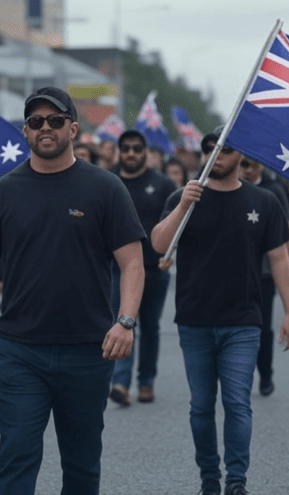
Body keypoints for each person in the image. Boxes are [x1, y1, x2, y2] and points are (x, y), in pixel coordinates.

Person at [0, 87, 145, 495]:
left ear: (73, 128)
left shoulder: (105, 188)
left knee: (82, 467)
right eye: (35, 122)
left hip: (89, 350)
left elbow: (132, 263)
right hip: (20, 351)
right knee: (16, 461)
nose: (44, 128)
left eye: (54, 120)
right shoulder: (1, 193)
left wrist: (125, 321)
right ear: (25, 132)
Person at [151, 127, 289, 495]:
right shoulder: (182, 196)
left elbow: (280, 259)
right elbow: (158, 244)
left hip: (243, 321)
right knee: (201, 407)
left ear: (241, 157)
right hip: (194, 319)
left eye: (224, 150)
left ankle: (236, 480)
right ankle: (209, 480)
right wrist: (184, 204)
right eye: (208, 149)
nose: (214, 156)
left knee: (237, 403)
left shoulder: (264, 201)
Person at [109, 130, 176, 405]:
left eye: (137, 148)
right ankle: (121, 383)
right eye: (126, 149)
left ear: (146, 152)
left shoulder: (163, 185)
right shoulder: (108, 182)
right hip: (117, 269)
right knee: (122, 322)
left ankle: (146, 381)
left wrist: (172, 252)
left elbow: (177, 224)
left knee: (150, 327)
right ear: (119, 151)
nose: (132, 154)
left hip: (154, 268)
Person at [239, 155, 289, 397]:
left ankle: (266, 374)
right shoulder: (232, 189)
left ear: (260, 165)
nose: (248, 170)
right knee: (237, 329)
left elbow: (288, 229)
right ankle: (241, 377)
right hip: (234, 273)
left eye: (252, 165)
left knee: (262, 327)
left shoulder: (273, 190)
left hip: (263, 271)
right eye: (243, 165)